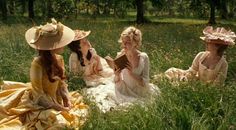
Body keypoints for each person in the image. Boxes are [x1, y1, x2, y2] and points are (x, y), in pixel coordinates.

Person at [0, 19, 88, 129]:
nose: (64, 45)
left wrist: (66, 99)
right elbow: (39, 95)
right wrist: (59, 108)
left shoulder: (59, 59)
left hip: (55, 98)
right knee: (55, 120)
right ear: (52, 46)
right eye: (60, 42)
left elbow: (61, 84)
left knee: (74, 110)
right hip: (40, 102)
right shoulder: (37, 63)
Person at [164, 26, 236, 85]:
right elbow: (192, 72)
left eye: (209, 42)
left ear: (218, 46)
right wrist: (185, 79)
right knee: (172, 72)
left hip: (207, 91)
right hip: (195, 82)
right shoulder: (201, 55)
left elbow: (218, 85)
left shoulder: (223, 64)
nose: (206, 43)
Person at [113, 26, 159, 103]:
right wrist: (117, 75)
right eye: (123, 41)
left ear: (136, 43)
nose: (124, 44)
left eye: (128, 42)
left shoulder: (143, 57)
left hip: (139, 91)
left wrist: (132, 74)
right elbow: (116, 80)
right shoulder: (120, 55)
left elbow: (145, 82)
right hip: (124, 89)